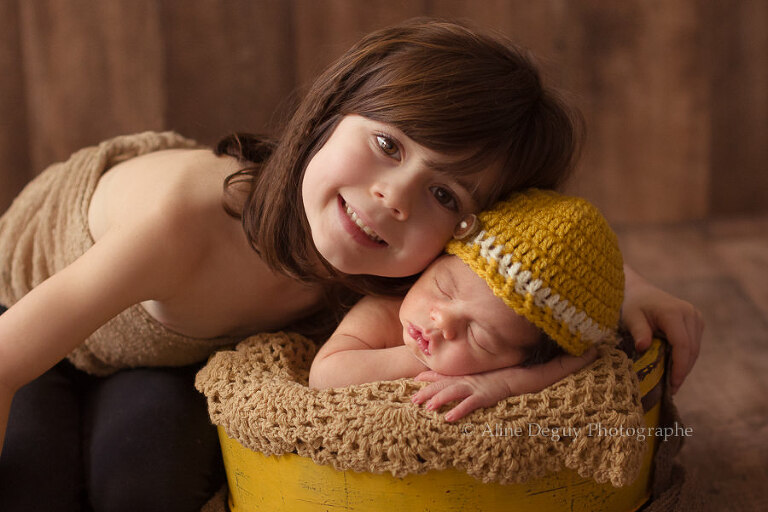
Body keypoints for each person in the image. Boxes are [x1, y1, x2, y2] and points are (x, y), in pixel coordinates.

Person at [0, 18, 702, 511]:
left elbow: (535, 253)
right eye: (388, 144)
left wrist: (626, 287)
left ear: (469, 227)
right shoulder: (181, 228)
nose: (391, 199)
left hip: (163, 354)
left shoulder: (414, 261)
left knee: (143, 486)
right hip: (37, 317)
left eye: (441, 192)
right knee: (32, 487)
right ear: (331, 111)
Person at [310, 189, 625, 421]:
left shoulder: (520, 356)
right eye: (444, 288)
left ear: (521, 359)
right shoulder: (386, 307)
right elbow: (325, 375)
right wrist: (427, 363)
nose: (443, 320)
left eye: (480, 338)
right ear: (434, 262)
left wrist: (499, 383)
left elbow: (584, 355)